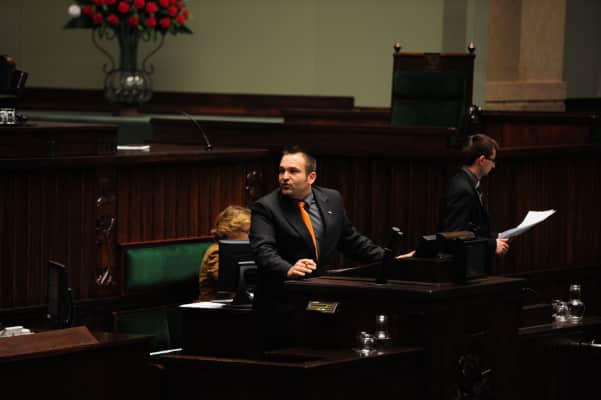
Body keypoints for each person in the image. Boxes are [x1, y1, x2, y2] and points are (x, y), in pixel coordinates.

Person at [250, 147, 412, 314]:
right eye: (281, 171)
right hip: (281, 301)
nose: (285, 177)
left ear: (311, 177)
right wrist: (288, 269)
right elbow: (263, 250)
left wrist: (390, 260)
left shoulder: (332, 199)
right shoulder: (266, 206)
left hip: (320, 295)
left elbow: (352, 241)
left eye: (293, 171)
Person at [439, 133, 509, 257]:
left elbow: (473, 229)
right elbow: (455, 235)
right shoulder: (462, 189)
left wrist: (496, 237)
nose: (494, 166)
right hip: (461, 264)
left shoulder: (466, 182)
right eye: (492, 160)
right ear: (481, 160)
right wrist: (492, 244)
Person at [198, 205, 251, 301]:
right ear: (231, 231)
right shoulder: (217, 251)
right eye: (248, 232)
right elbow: (229, 282)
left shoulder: (243, 250)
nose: (252, 235)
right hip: (213, 305)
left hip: (236, 303)